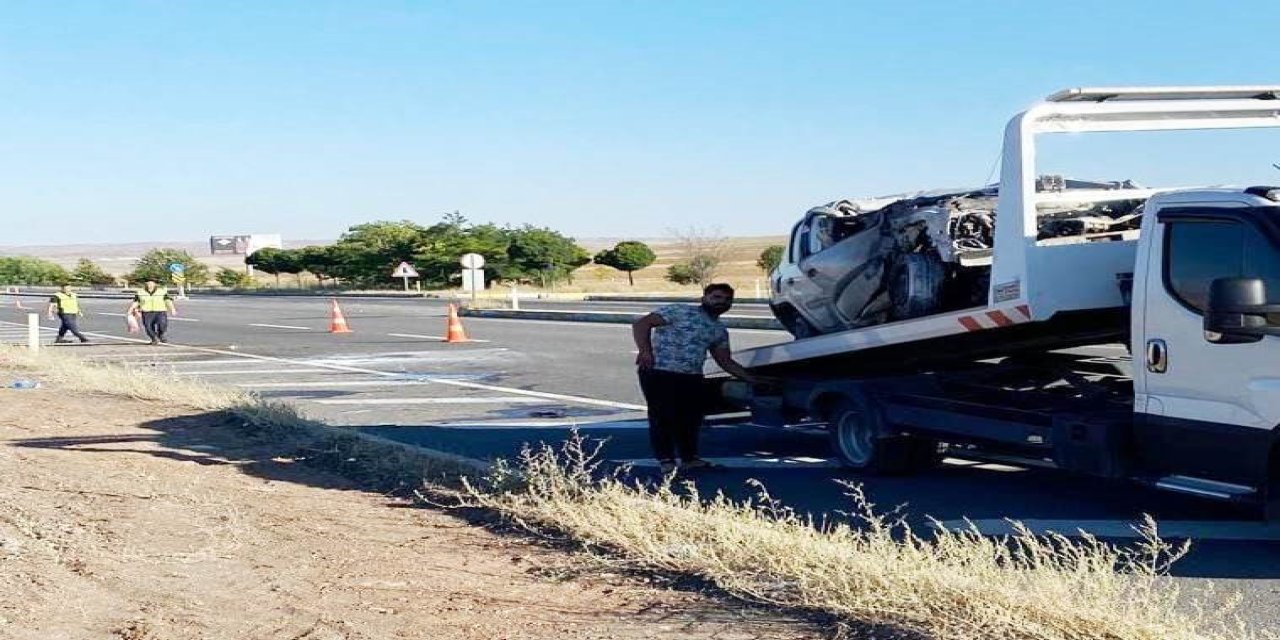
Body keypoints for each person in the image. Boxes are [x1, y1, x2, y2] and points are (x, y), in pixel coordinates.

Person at [632, 283, 759, 474]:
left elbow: (725, 361)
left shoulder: (718, 330)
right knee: (662, 416)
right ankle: (666, 460)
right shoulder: (678, 311)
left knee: (690, 418)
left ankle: (689, 458)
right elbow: (642, 324)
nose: (721, 302)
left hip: (691, 377)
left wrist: (751, 378)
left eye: (726, 300)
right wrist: (645, 351)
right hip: (659, 372)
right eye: (716, 297)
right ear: (704, 298)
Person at [127, 280, 177, 345]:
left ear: (154, 284)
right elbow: (136, 302)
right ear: (146, 284)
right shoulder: (140, 292)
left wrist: (172, 309)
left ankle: (160, 334)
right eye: (148, 283)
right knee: (148, 327)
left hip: (160, 311)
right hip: (146, 312)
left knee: (163, 324)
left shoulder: (161, 291)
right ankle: (154, 338)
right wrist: (130, 310)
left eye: (151, 283)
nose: (150, 285)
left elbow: (168, 300)